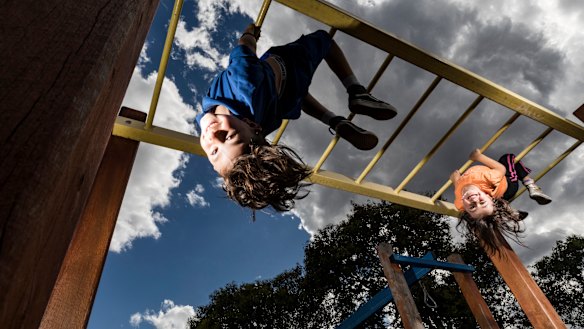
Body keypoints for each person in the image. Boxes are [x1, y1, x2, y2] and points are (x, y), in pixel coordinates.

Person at [197, 24, 397, 211]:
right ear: (250, 124)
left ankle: (336, 122)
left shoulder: (221, 125)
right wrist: (249, 32)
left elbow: (244, 150)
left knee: (299, 99)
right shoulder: (244, 78)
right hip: (288, 67)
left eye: (214, 151)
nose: (212, 135)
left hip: (276, 107)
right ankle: (356, 91)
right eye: (228, 136)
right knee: (323, 39)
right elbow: (246, 46)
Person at [450, 149, 552, 254]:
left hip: (498, 197)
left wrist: (455, 179)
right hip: (508, 187)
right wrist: (479, 157)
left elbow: (458, 187)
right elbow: (501, 168)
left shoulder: (459, 202)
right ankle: (531, 185)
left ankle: (509, 213)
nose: (474, 200)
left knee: (490, 213)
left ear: (466, 210)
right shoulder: (489, 178)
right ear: (490, 198)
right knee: (508, 158)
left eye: (472, 207)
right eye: (481, 202)